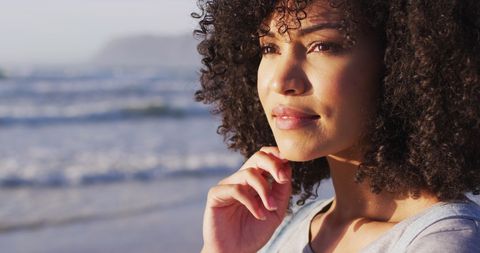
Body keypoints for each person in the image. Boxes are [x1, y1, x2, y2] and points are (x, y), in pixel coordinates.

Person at [192, 0, 480, 252]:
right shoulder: (283, 228)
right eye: (270, 48)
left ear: (402, 62)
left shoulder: (443, 242)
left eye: (322, 46)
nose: (280, 81)